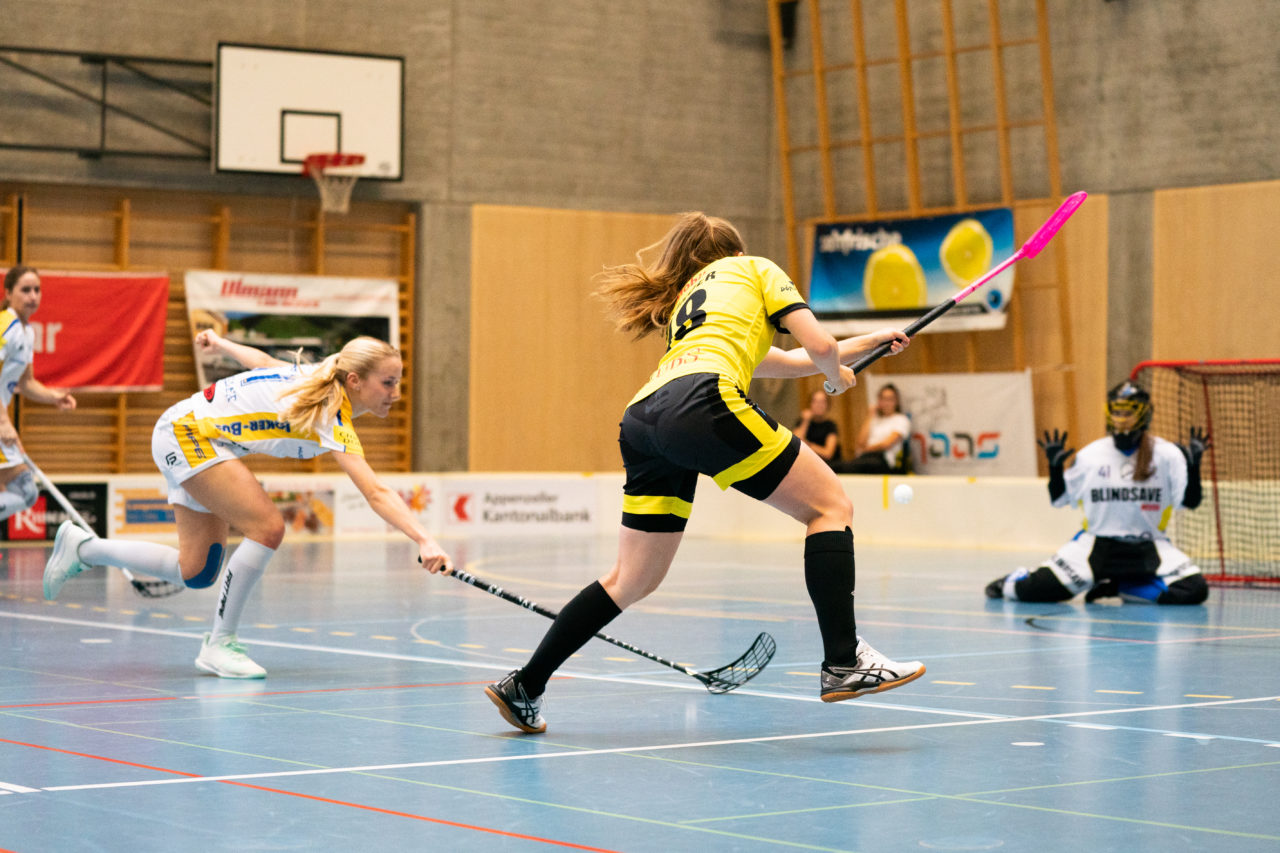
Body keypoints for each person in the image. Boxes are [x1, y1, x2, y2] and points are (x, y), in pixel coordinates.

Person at [483, 211, 924, 734]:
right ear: (736, 253)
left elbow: (788, 359)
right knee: (830, 507)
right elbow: (820, 350)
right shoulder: (756, 270)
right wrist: (836, 377)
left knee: (632, 578)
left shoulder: (694, 302)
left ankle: (526, 684)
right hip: (702, 403)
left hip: (644, 417)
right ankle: (844, 660)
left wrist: (872, 342)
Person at [43, 328, 452, 677]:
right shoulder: (332, 412)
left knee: (198, 571)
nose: (396, 393)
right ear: (355, 380)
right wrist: (424, 539)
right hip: (189, 435)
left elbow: (260, 362)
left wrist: (221, 343)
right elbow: (376, 492)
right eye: (388, 382)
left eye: (398, 381)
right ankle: (220, 643)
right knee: (268, 527)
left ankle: (84, 548)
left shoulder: (317, 377)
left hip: (193, 433)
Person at [985, 381, 1210, 605]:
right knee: (1035, 592)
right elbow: (1059, 499)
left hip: (1149, 545)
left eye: (1128, 412)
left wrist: (1194, 468)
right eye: (1117, 411)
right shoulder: (1090, 455)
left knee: (1194, 590)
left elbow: (1190, 502)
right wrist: (1054, 470)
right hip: (1096, 546)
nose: (1121, 417)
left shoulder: (1167, 455)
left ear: (1144, 414)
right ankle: (1013, 580)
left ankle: (1120, 587)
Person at [0, 266, 77, 522]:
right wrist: (3, 423)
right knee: (24, 491)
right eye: (25, 290)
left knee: (24, 491)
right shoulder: (5, 325)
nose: (33, 296)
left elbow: (28, 382)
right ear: (8, 293)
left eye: (37, 290)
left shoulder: (27, 331)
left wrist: (55, 397)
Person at [844, 383, 910, 474]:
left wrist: (865, 450)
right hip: (866, 457)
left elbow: (887, 444)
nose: (886, 403)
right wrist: (870, 417)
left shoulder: (901, 420)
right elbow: (860, 443)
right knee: (842, 466)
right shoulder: (875, 420)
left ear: (896, 401)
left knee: (851, 467)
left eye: (889, 399)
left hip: (884, 460)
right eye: (883, 399)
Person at [794, 388, 841, 468]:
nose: (819, 405)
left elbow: (828, 453)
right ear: (810, 404)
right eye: (815, 401)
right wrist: (805, 421)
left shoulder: (830, 425)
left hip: (828, 465)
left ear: (828, 405)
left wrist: (807, 444)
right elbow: (796, 444)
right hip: (807, 463)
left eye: (822, 402)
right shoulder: (803, 422)